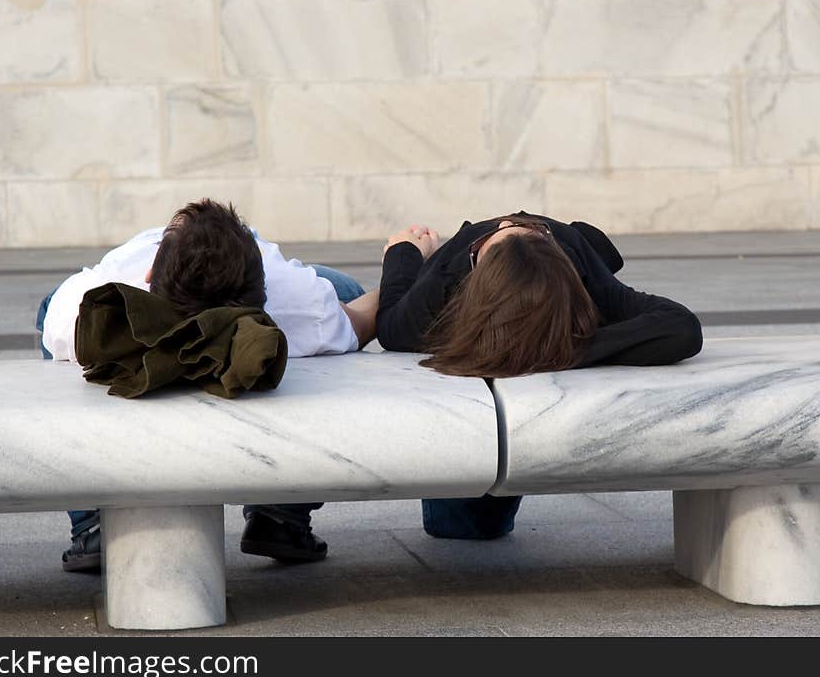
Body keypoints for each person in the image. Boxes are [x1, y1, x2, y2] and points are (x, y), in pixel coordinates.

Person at [38, 199, 379, 571]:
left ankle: (92, 522)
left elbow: (54, 319)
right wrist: (405, 263)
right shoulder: (301, 301)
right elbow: (363, 321)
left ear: (151, 273)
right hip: (289, 301)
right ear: (262, 289)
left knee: (47, 307)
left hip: (112, 297)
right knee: (345, 290)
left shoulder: (88, 308)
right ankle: (282, 513)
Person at [376, 211, 703, 540]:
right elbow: (389, 327)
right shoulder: (442, 287)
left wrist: (556, 347)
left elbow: (680, 328)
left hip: (560, 268)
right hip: (464, 285)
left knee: (474, 527)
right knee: (465, 527)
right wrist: (405, 253)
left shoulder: (581, 272)